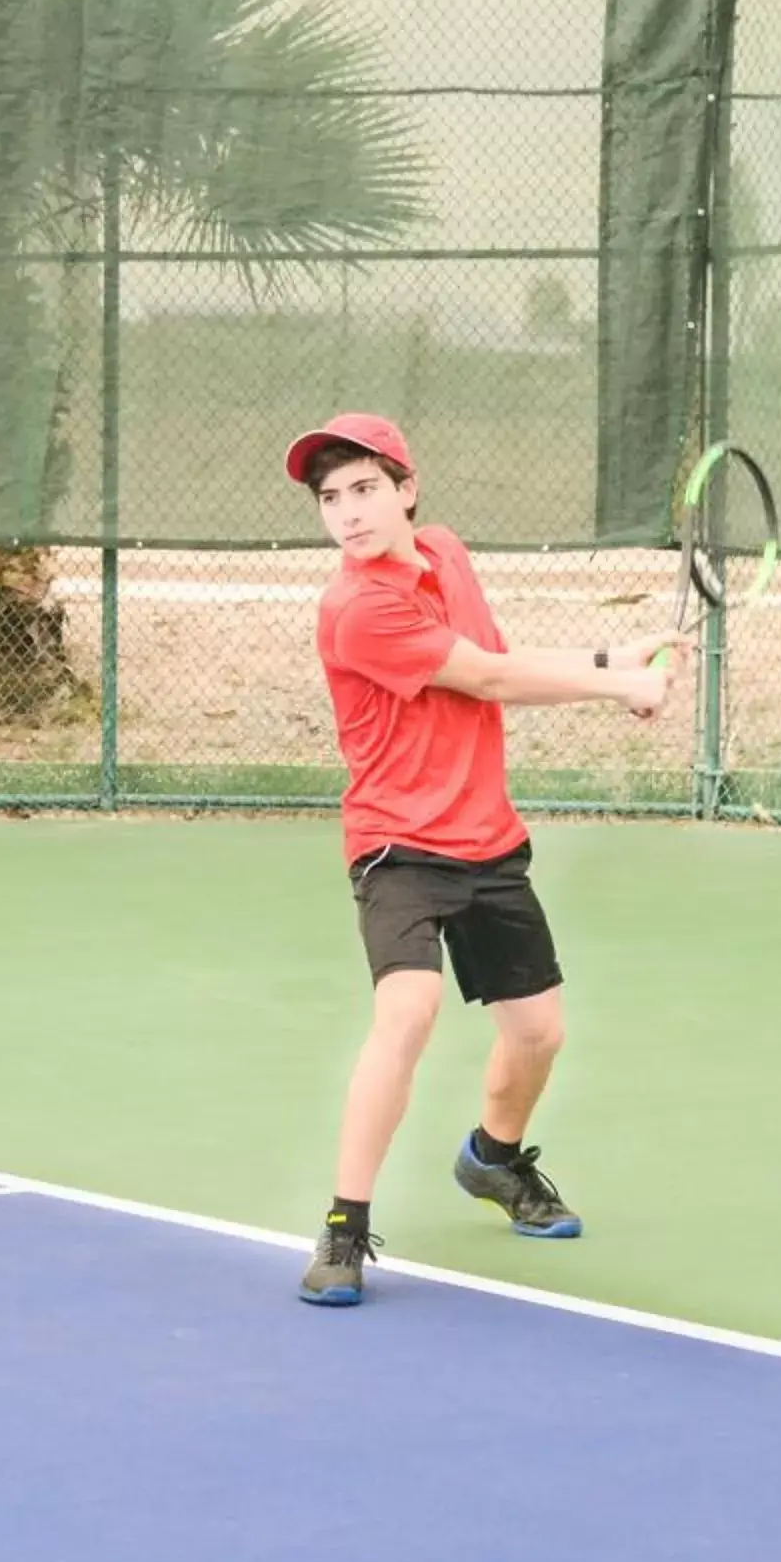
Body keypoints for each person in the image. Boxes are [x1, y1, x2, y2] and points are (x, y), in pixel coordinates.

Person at [287, 413, 681, 1308]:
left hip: (488, 838)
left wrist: (610, 655)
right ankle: (345, 1228)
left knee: (539, 1032)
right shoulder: (359, 607)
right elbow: (490, 682)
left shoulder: (447, 557)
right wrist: (621, 687)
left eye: (363, 490)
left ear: (407, 489)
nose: (346, 513)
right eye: (330, 499)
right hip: (399, 844)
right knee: (409, 1011)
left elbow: (494, 658)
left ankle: (493, 1162)